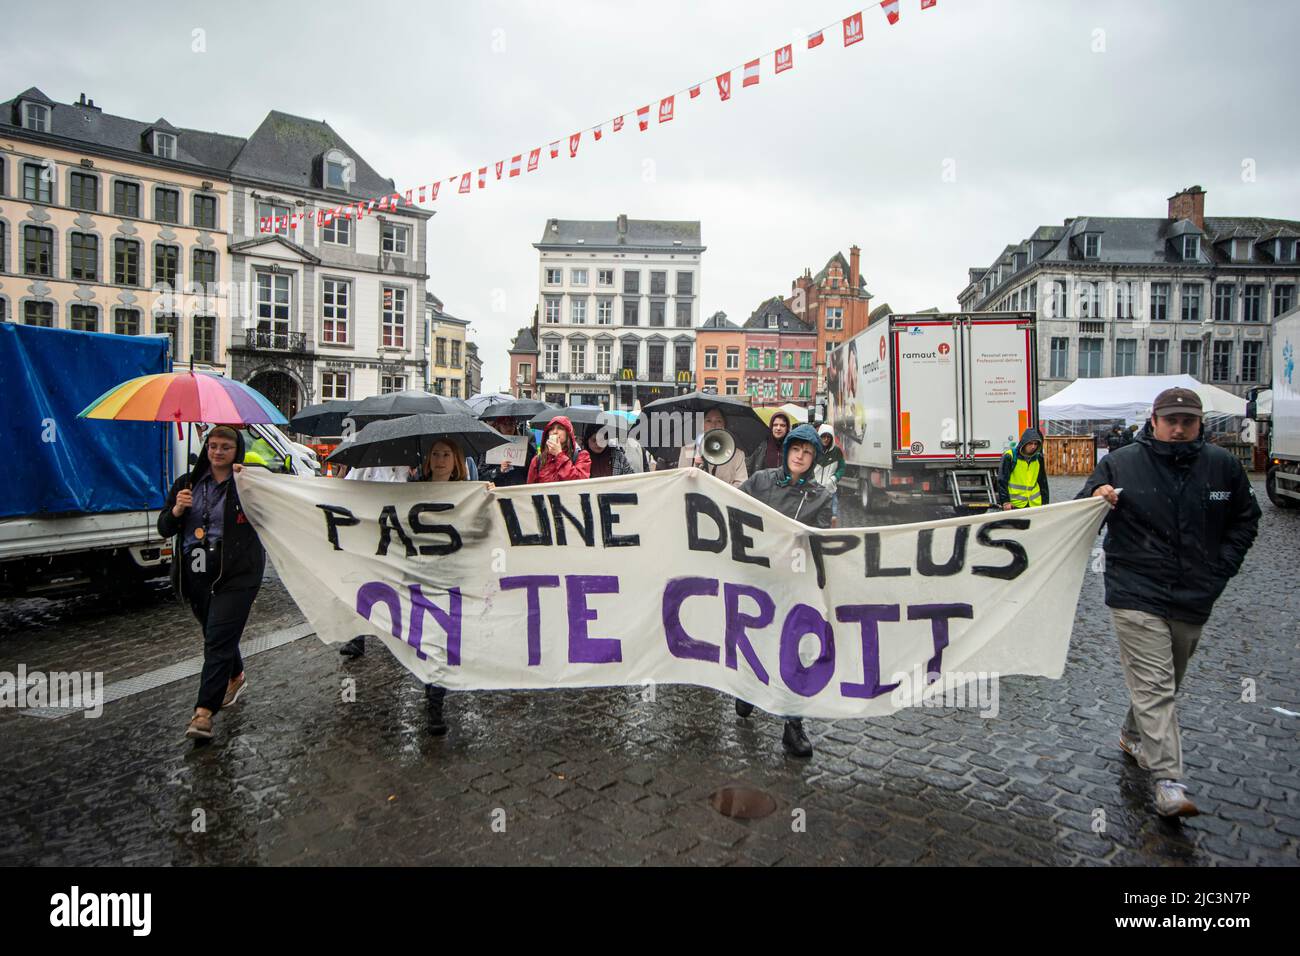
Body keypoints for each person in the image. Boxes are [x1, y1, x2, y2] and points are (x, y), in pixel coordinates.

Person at [1079, 387, 1261, 818]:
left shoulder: (1223, 466)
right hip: (1134, 591)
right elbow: (1080, 511)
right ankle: (1169, 782)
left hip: (1195, 595)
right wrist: (1095, 499)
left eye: (1188, 421)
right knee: (1158, 686)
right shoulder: (1121, 462)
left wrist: (1220, 573)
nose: (1178, 429)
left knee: (1166, 680)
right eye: (1171, 420)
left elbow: (1246, 521)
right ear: (1154, 420)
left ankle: (1131, 733)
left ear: (1200, 423)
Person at [158, 425, 265, 741]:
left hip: (238, 574)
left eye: (225, 448)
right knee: (215, 632)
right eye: (213, 446)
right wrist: (177, 509)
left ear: (237, 451)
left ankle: (203, 713)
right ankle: (236, 674)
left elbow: (271, 515)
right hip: (197, 573)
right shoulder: (187, 484)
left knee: (217, 639)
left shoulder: (246, 483)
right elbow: (165, 527)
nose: (218, 452)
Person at [735, 423, 834, 758]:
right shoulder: (761, 481)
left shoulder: (821, 496)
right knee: (756, 640)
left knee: (794, 653)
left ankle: (793, 726)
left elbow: (823, 540)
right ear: (787, 450)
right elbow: (730, 505)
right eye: (796, 449)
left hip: (794, 585)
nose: (800, 456)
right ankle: (747, 690)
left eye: (808, 453)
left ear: (814, 459)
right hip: (758, 579)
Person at [678, 406, 748, 486]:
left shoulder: (737, 455)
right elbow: (681, 482)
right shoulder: (688, 450)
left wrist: (719, 490)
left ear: (723, 426)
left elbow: (742, 485)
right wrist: (695, 467)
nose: (713, 425)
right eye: (708, 421)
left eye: (718, 421)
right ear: (702, 425)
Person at [997, 427, 1050, 510]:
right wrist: (1005, 501)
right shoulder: (1010, 456)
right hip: (1015, 504)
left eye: (1035, 444)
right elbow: (1002, 481)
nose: (1033, 447)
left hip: (1035, 503)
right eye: (1030, 443)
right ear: (1024, 443)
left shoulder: (1038, 457)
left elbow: (1042, 481)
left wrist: (1045, 503)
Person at [526, 415, 590, 483]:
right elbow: (530, 489)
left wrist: (559, 455)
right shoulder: (537, 460)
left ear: (568, 433)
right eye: (551, 429)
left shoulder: (582, 456)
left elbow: (580, 482)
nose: (555, 432)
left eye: (560, 428)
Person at [478, 416, 535, 487]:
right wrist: (499, 470)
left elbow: (533, 467)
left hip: (519, 489)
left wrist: (525, 457)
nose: (509, 428)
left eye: (511, 424)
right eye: (505, 424)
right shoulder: (491, 446)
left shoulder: (525, 446)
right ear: (498, 425)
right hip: (498, 490)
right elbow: (482, 475)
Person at [814, 423, 846, 527]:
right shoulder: (814, 450)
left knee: (833, 516)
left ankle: (831, 535)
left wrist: (834, 478)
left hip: (830, 490)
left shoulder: (837, 451)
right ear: (819, 436)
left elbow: (842, 467)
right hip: (815, 490)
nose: (826, 439)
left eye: (829, 437)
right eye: (823, 436)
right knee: (815, 515)